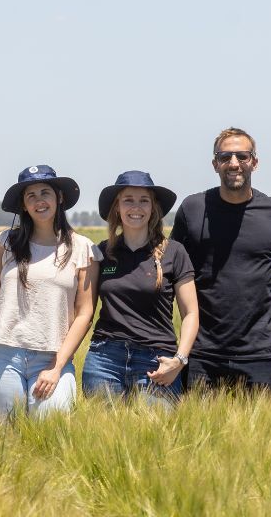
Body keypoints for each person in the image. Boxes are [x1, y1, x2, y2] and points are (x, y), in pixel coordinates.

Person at [169, 128, 271, 392]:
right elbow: (173, 268)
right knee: (200, 432)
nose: (234, 163)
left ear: (254, 162)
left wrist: (264, 280)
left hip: (259, 353)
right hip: (202, 351)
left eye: (242, 156)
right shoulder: (193, 209)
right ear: (215, 164)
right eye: (225, 157)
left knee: (264, 434)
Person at [0, 165, 98, 421]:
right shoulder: (5, 243)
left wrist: (57, 366)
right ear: (23, 204)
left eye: (45, 192)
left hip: (52, 355)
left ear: (59, 198)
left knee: (49, 427)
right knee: (5, 436)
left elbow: (85, 312)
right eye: (31, 195)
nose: (39, 201)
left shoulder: (82, 248)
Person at [83, 171, 198, 407]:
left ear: (153, 207)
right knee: (102, 438)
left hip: (156, 361)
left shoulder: (174, 252)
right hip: (105, 359)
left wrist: (179, 360)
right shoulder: (102, 253)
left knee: (157, 439)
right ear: (117, 207)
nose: (136, 207)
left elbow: (191, 313)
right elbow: (83, 311)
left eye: (144, 200)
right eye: (128, 200)